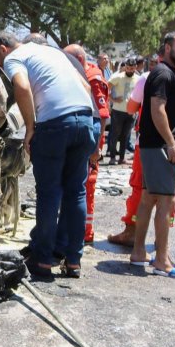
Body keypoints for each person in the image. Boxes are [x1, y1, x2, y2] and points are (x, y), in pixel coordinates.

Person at [0, 32, 96, 280]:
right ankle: (73, 261)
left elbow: (22, 87)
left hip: (54, 125)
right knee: (76, 192)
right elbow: (86, 86)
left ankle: (43, 260)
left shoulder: (15, 57)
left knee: (49, 193)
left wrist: (30, 128)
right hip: (84, 120)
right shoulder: (51, 52)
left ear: (3, 49)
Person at [131, 30, 175, 280]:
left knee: (148, 198)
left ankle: (138, 253)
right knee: (166, 200)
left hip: (154, 145)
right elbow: (157, 109)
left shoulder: (167, 73)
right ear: (167, 48)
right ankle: (161, 260)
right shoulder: (164, 73)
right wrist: (171, 143)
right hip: (159, 146)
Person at [65, 44, 109, 245]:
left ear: (78, 60)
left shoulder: (92, 78)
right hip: (81, 139)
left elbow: (101, 115)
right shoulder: (83, 74)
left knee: (86, 186)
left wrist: (97, 148)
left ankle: (84, 231)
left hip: (89, 142)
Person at [106, 58, 140, 164]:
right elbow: (105, 88)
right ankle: (112, 157)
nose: (130, 70)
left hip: (131, 112)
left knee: (126, 135)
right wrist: (113, 99)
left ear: (135, 67)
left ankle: (122, 158)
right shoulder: (118, 77)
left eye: (132, 68)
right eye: (128, 68)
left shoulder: (138, 79)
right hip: (118, 110)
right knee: (115, 134)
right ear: (125, 67)